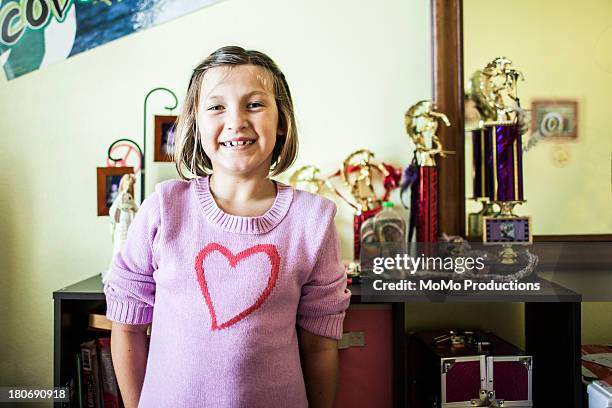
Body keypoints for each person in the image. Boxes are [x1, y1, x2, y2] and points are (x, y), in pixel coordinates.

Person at [104, 46, 351, 408]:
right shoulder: (163, 209)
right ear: (196, 123)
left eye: (254, 104)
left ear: (281, 121)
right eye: (217, 107)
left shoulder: (312, 221)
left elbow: (319, 345)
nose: (236, 121)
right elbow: (127, 326)